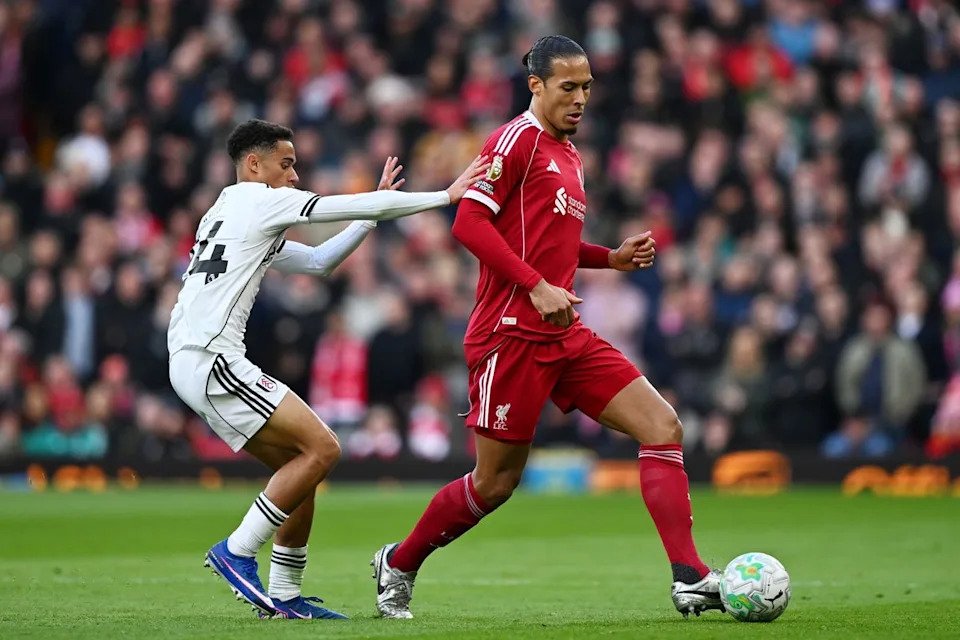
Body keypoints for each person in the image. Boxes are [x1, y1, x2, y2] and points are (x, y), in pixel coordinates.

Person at [372, 36, 720, 620]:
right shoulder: (517, 140)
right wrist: (534, 285)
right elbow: (469, 224)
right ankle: (399, 563)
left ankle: (689, 576)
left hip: (564, 332)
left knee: (662, 426)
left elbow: (550, 243)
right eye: (569, 87)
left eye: (587, 87)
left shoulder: (569, 153)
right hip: (509, 335)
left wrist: (609, 259)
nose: (581, 98)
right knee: (494, 484)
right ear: (536, 85)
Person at [167, 119, 487, 620]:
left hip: (190, 357)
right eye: (286, 164)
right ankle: (236, 550)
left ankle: (286, 596)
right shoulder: (261, 199)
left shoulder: (225, 208)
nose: (294, 176)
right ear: (255, 165)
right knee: (325, 448)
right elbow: (345, 204)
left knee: (299, 463)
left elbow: (318, 261)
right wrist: (445, 195)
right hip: (213, 358)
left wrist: (372, 213)